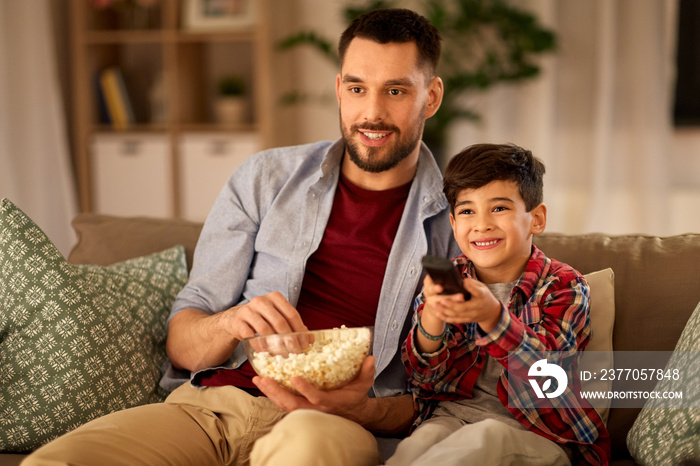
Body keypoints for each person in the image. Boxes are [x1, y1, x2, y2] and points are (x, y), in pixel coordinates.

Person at [24, 8, 461, 466]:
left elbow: (448, 394)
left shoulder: (459, 224)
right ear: (338, 90)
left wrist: (363, 409)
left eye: (395, 91)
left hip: (327, 424)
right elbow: (184, 343)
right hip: (212, 408)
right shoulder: (264, 179)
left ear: (430, 97)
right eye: (356, 89)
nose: (371, 113)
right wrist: (231, 322)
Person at [386, 144, 611, 466]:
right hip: (453, 418)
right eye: (467, 211)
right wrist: (432, 319)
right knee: (417, 445)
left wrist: (493, 318)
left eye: (499, 208)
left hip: (539, 433)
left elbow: (547, 378)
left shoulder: (564, 285)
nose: (482, 224)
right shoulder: (450, 279)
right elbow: (423, 381)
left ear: (536, 219)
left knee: (485, 438)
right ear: (453, 223)